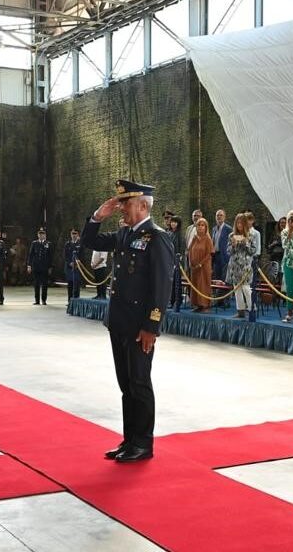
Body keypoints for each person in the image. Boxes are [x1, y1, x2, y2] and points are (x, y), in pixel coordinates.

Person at [81, 179, 173, 463]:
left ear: (144, 206)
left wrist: (151, 327)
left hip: (139, 327)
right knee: (125, 384)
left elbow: (161, 288)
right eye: (120, 203)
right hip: (119, 322)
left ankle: (143, 443)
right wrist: (98, 217)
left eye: (126, 203)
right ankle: (129, 439)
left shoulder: (157, 238)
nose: (121, 208)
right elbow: (90, 241)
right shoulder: (124, 235)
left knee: (139, 382)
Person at [226, 213, 256, 319]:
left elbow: (253, 251)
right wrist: (233, 245)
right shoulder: (231, 236)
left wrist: (246, 243)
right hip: (234, 266)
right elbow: (228, 251)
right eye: (237, 223)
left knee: (246, 288)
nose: (239, 225)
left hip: (246, 267)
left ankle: (252, 309)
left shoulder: (251, 236)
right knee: (237, 289)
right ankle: (240, 311)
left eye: (241, 223)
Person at [187, 217, 214, 312]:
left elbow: (209, 254)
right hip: (194, 267)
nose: (200, 227)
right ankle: (197, 304)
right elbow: (189, 250)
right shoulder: (194, 238)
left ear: (206, 227)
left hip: (204, 266)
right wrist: (190, 262)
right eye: (198, 225)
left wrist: (200, 264)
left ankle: (205, 305)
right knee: (195, 284)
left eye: (202, 225)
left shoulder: (207, 239)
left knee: (203, 285)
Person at [27, 227, 53, 305]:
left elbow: (50, 256)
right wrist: (29, 265)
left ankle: (44, 300)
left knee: (44, 284)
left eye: (43, 234)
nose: (41, 236)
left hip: (45, 267)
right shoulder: (34, 243)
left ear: (45, 235)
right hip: (36, 266)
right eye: (40, 234)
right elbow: (31, 255)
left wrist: (50, 267)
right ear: (38, 235)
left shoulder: (48, 243)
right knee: (36, 284)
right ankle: (37, 300)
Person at [211, 209, 232, 282]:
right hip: (215, 256)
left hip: (224, 256)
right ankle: (217, 293)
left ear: (224, 217)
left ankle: (223, 293)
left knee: (224, 277)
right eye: (217, 215)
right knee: (216, 276)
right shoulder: (214, 229)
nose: (219, 217)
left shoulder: (228, 229)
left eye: (221, 215)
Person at [64, 229, 83, 301]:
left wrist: (78, 264)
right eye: (72, 234)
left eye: (75, 234)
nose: (74, 235)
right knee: (70, 285)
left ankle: (76, 301)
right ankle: (70, 301)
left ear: (78, 235)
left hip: (77, 267)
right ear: (70, 235)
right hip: (69, 267)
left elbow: (82, 255)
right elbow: (65, 256)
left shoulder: (80, 244)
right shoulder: (67, 244)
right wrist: (70, 263)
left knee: (77, 285)